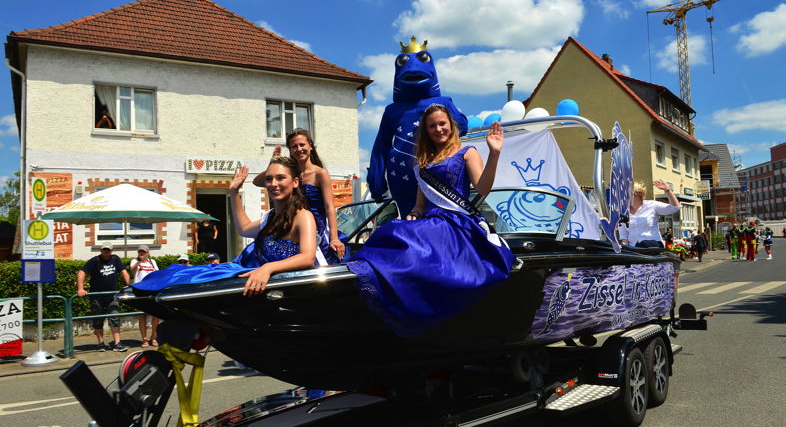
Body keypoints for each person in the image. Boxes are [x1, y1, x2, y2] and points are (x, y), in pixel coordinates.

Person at [347, 104, 514, 337]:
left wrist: (494, 154)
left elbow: (483, 187)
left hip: (457, 223)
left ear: (451, 125)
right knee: (394, 229)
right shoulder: (423, 164)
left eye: (442, 123)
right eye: (432, 126)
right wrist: (412, 216)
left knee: (406, 239)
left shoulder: (467, 153)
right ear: (426, 130)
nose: (438, 129)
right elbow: (419, 206)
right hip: (433, 221)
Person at [132, 156, 317, 296]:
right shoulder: (269, 217)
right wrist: (234, 192)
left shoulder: (303, 216)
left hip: (287, 291)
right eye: (269, 179)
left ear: (294, 182)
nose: (273, 184)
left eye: (280, 178)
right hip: (260, 286)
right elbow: (243, 229)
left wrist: (267, 268)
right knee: (187, 275)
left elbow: (307, 257)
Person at [264, 128, 345, 265]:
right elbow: (258, 181)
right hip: (290, 225)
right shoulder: (289, 172)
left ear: (310, 146)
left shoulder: (320, 173)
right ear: (290, 150)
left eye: (302, 144)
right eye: (294, 146)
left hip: (315, 228)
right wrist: (274, 163)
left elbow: (329, 207)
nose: (299, 149)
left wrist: (334, 238)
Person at [77, 244, 130, 351]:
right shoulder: (95, 260)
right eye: (104, 249)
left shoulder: (115, 259)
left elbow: (124, 271)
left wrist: (129, 286)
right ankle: (101, 343)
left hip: (112, 295)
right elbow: (82, 272)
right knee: (98, 319)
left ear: (111, 250)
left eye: (108, 250)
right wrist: (80, 288)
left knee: (115, 317)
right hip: (97, 296)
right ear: (101, 250)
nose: (106, 251)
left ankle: (117, 343)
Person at [618, 180, 681, 248]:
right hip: (634, 249)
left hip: (653, 246)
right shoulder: (623, 212)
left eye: (630, 194)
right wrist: (624, 248)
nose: (627, 197)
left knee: (644, 244)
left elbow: (675, 207)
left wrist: (667, 190)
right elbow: (623, 236)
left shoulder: (652, 205)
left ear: (640, 194)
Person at [130, 245, 159, 347]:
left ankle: (154, 338)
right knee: (142, 316)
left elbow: (157, 274)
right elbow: (132, 271)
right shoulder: (134, 261)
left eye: (143, 252)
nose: (141, 254)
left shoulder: (153, 262)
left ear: (147, 253)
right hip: (140, 291)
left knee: (156, 315)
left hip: (152, 290)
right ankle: (144, 339)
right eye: (140, 252)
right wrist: (138, 262)